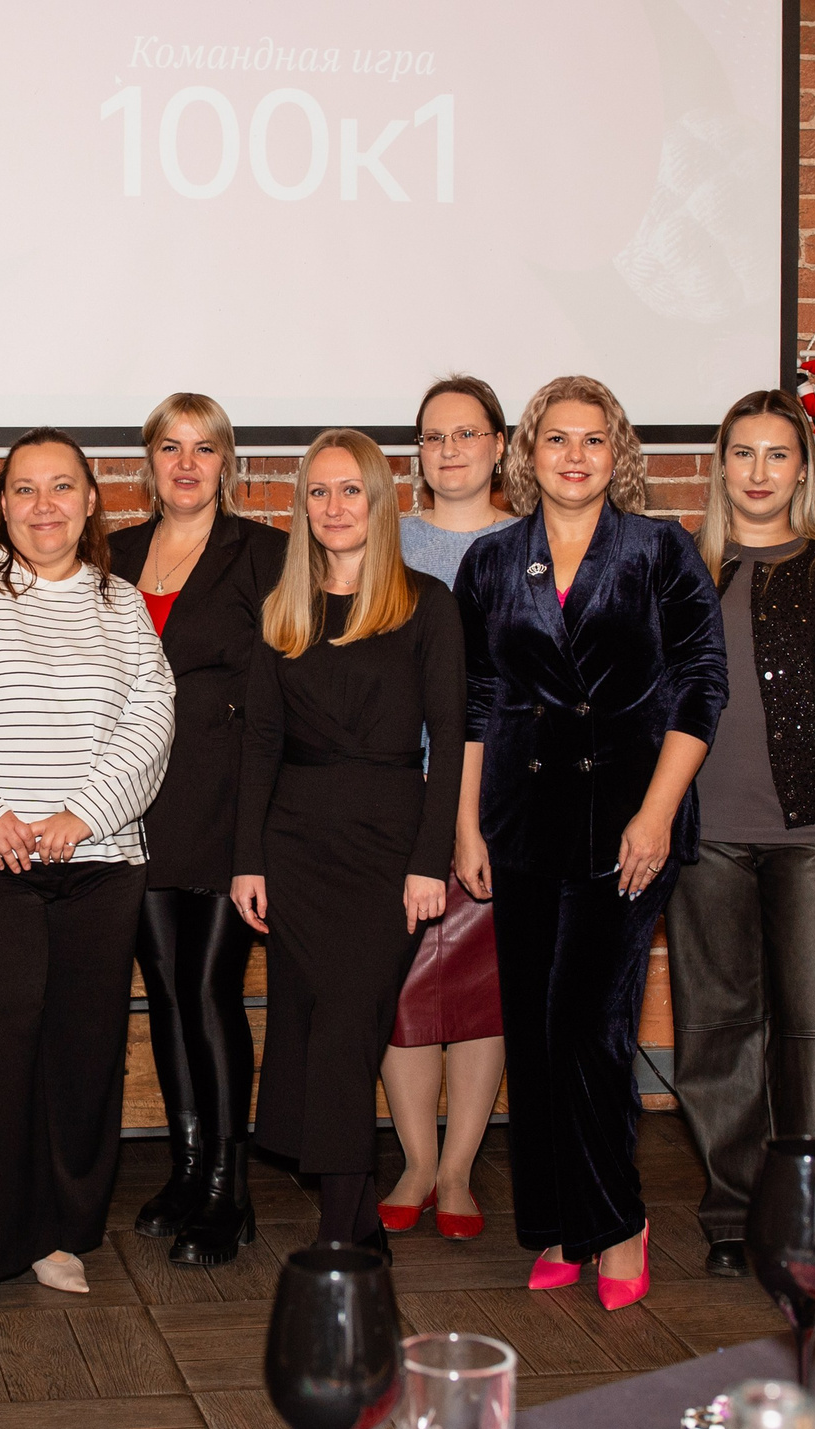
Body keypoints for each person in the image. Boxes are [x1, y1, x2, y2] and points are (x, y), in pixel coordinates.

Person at [0, 429, 174, 1332]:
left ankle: (59, 1232)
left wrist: (80, 815)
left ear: (92, 502)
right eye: (23, 490)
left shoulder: (120, 604)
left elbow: (152, 718)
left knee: (81, 1050)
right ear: (0, 505)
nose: (43, 505)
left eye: (63, 488)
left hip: (97, 860)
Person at [454, 375, 726, 1310]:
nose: (575, 456)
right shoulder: (493, 561)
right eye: (557, 439)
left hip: (628, 817)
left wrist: (655, 813)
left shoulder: (660, 550)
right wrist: (466, 825)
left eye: (594, 440)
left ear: (620, 455)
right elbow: (479, 702)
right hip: (522, 818)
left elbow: (701, 688)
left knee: (591, 1025)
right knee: (532, 1029)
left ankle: (618, 1220)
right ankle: (564, 1221)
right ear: (528, 452)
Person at [665, 391, 815, 1278]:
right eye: (743, 454)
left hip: (812, 839)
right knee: (716, 1032)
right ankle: (735, 1212)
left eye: (778, 455)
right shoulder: (682, 568)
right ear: (720, 466)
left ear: (801, 470)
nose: (759, 472)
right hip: (703, 839)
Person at [231, 430, 466, 1255]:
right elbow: (259, 741)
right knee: (319, 1021)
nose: (333, 507)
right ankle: (354, 1217)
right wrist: (247, 859)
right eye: (319, 493)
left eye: (349, 490)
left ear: (380, 500)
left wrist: (427, 863)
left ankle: (343, 1225)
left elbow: (451, 737)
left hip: (387, 840)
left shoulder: (427, 604)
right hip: (294, 843)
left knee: (347, 1021)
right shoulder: (283, 609)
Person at [104, 393, 285, 1268]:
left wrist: (259, 835)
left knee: (211, 989)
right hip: (132, 807)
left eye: (204, 449)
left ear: (228, 463)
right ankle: (184, 1168)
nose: (186, 464)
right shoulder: (115, 555)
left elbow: (276, 706)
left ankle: (229, 1188)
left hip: (224, 803)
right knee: (167, 988)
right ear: (150, 460)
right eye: (170, 448)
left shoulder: (267, 555)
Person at [382, 376, 516, 1240]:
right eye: (434, 436)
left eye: (468, 434)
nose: (451, 450)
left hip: (506, 798)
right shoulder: (386, 542)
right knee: (399, 992)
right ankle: (416, 1161)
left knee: (478, 995)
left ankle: (461, 1166)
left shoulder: (533, 543)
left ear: (500, 445)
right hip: (395, 794)